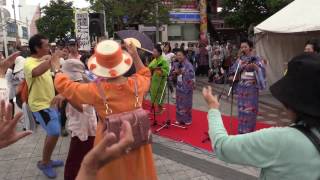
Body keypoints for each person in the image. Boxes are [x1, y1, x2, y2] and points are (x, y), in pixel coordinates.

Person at [202, 53, 320, 180]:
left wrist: (213, 108)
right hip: (243, 91)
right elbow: (233, 73)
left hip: (251, 91)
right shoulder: (240, 61)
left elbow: (223, 146)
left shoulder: (279, 139)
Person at [54, 40, 157, 180]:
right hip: (137, 139)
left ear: (99, 66)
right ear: (122, 63)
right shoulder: (137, 84)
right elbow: (146, 74)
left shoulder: (96, 90)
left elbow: (67, 87)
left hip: (109, 141)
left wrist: (56, 70)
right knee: (139, 171)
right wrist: (135, 55)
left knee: (112, 172)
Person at [23, 34, 65, 178]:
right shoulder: (28, 62)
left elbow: (54, 74)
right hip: (40, 105)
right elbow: (36, 72)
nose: (49, 48)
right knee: (54, 132)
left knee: (52, 133)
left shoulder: (45, 59)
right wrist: (53, 58)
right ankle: (45, 163)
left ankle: (47, 159)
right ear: (36, 47)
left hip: (51, 103)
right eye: (46, 46)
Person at [61, 57, 97, 180]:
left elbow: (84, 108)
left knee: (73, 163)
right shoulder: (81, 84)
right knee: (81, 160)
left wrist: (66, 94)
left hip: (84, 131)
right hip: (83, 128)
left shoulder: (83, 87)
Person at [228, 39, 266, 134]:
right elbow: (232, 70)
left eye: (245, 47)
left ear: (250, 48)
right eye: (241, 47)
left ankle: (249, 131)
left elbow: (262, 70)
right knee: (242, 110)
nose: (243, 49)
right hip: (242, 87)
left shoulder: (257, 58)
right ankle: (241, 130)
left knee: (250, 110)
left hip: (252, 88)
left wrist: (256, 68)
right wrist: (238, 69)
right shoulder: (240, 59)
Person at [171, 49, 195, 125]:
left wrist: (182, 72)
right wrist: (175, 73)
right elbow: (172, 74)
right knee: (178, 103)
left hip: (186, 87)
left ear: (184, 55)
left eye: (180, 55)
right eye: (177, 55)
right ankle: (179, 118)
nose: (178, 57)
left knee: (186, 103)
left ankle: (187, 119)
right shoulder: (176, 64)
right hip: (179, 86)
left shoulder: (188, 64)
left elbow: (191, 76)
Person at [148, 44, 170, 114]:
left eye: (155, 52)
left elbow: (167, 70)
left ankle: (160, 108)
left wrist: (160, 70)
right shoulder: (154, 60)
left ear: (159, 52)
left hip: (161, 80)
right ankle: (156, 107)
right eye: (153, 52)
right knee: (154, 94)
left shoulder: (163, 60)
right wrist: (151, 69)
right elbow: (149, 67)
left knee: (160, 95)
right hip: (154, 79)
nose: (153, 53)